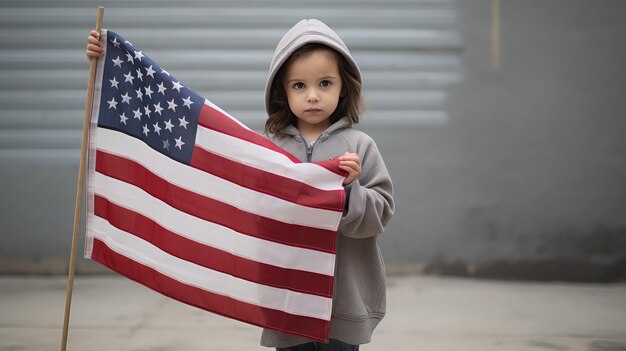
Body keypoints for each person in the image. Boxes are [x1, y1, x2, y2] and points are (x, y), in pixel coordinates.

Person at [85, 18, 394, 351]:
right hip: (286, 302)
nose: (313, 96)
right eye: (299, 86)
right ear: (282, 91)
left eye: (325, 83)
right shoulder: (267, 150)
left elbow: (382, 213)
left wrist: (348, 194)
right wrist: (104, 61)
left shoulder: (359, 146)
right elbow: (253, 213)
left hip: (343, 306)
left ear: (344, 87)